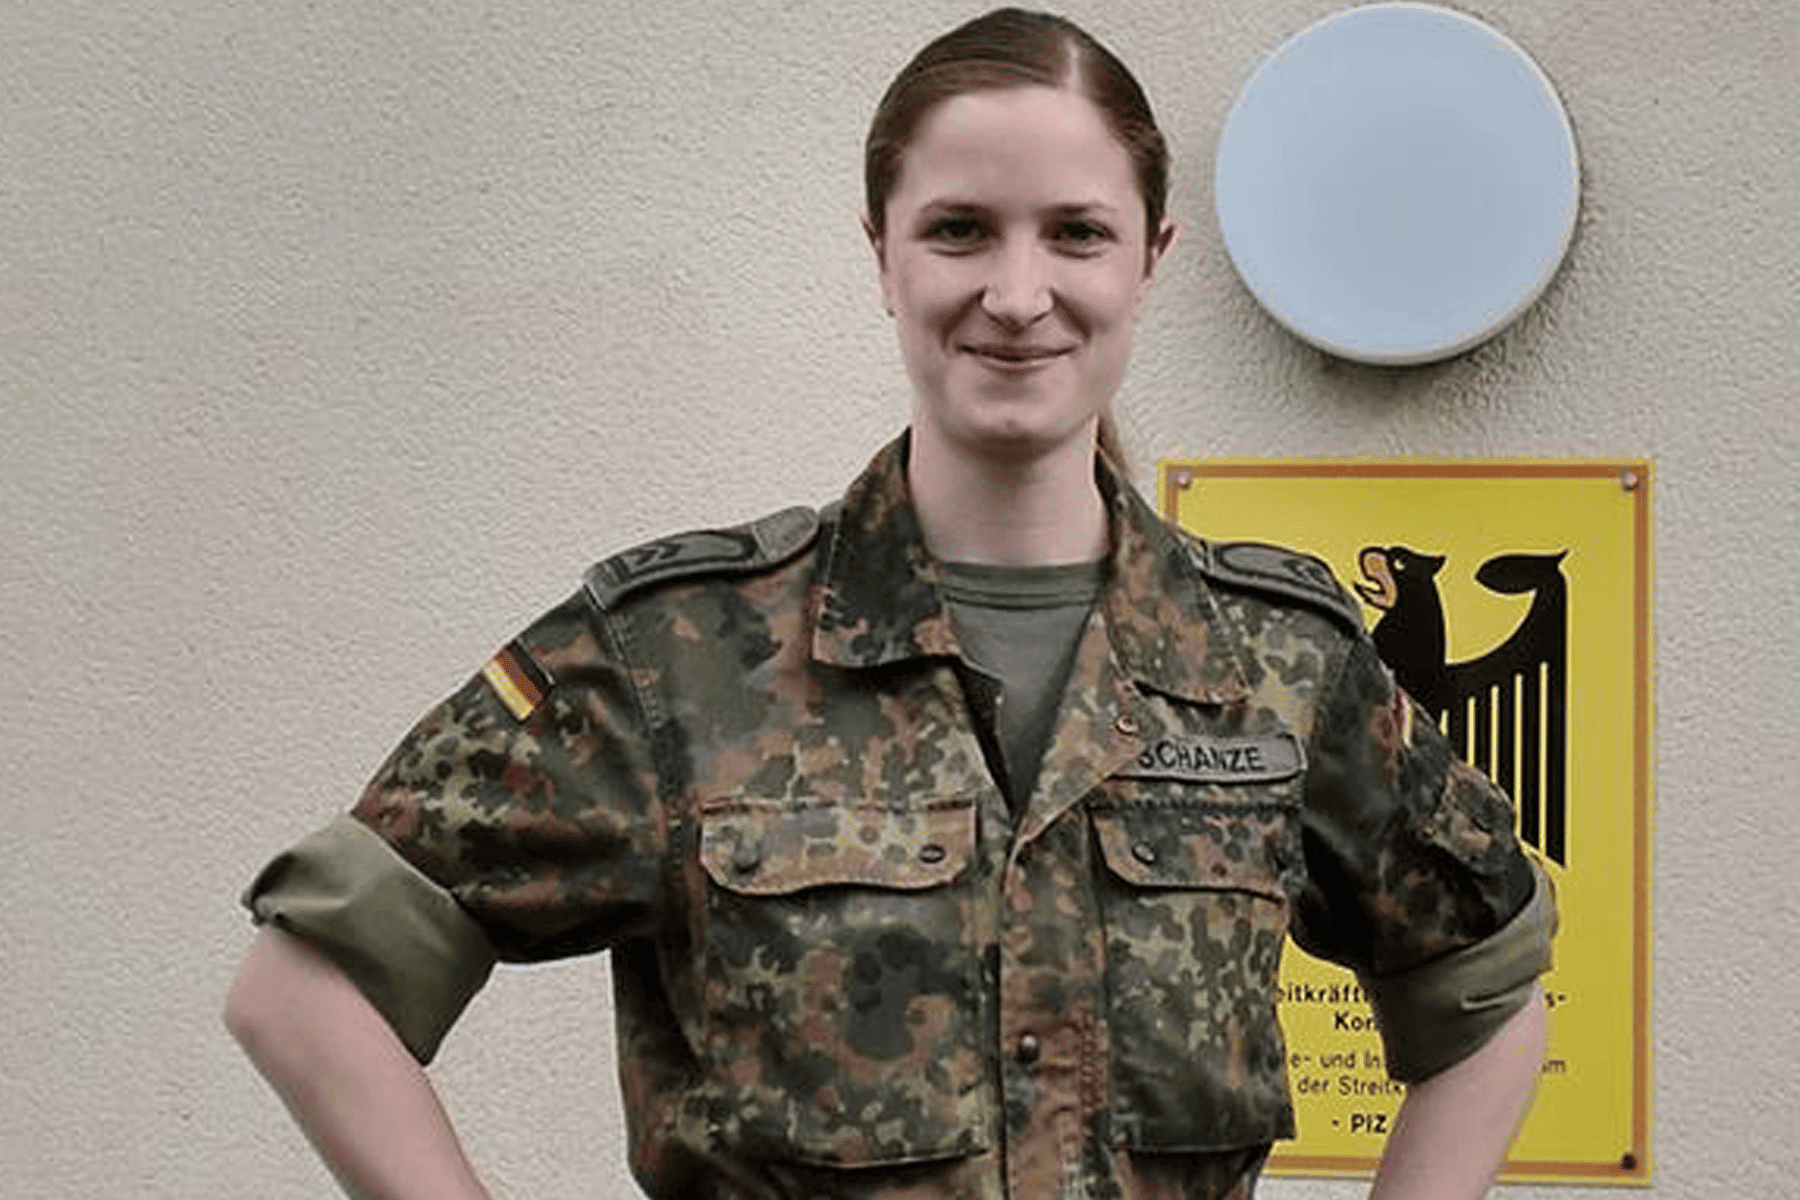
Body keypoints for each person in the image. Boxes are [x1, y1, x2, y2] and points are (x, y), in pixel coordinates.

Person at [224, 9, 1555, 1200]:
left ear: (1150, 259)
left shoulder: (1278, 663)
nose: (1018, 295)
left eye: (1077, 233)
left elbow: (1487, 1000)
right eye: (960, 229)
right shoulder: (680, 657)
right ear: (883, 254)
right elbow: (306, 988)